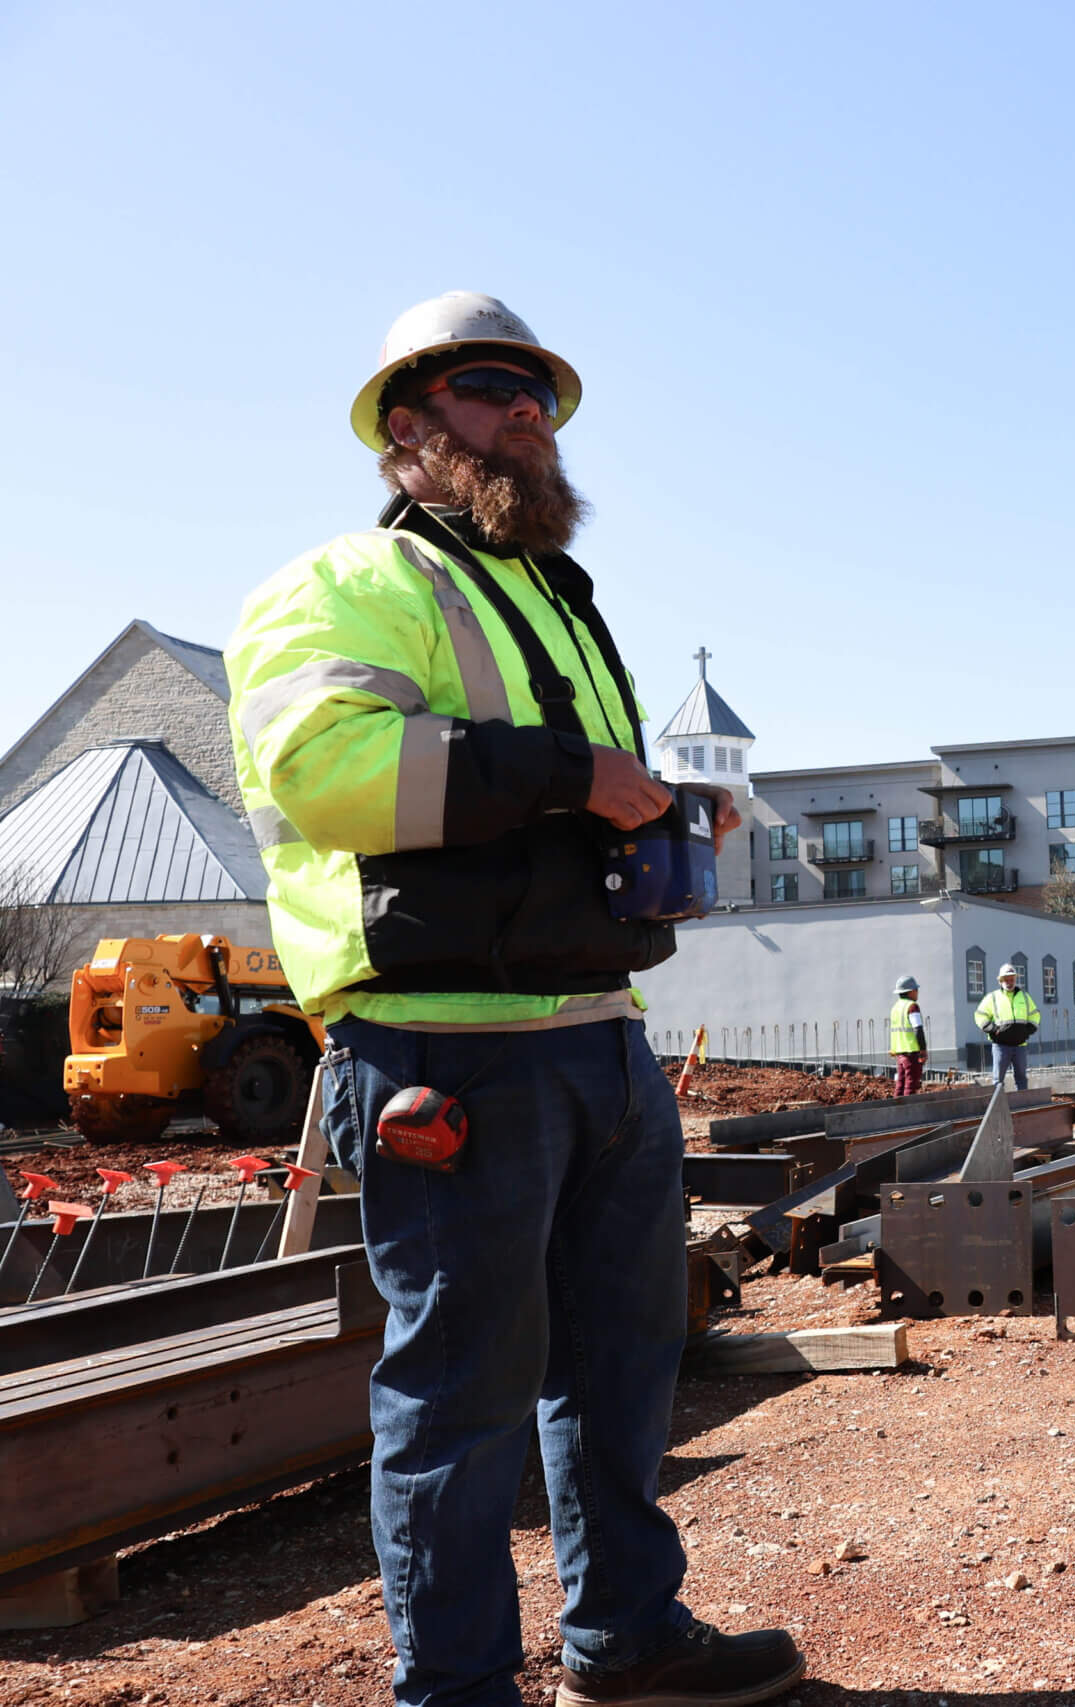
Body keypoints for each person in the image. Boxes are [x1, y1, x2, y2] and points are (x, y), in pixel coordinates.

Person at [227, 293, 799, 1707]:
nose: (528, 412)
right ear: (407, 427)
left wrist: (661, 813)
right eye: (491, 385)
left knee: (621, 1362)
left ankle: (626, 1635)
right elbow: (328, 770)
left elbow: (562, 802)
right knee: (462, 1390)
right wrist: (571, 774)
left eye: (538, 391)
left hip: (598, 1033)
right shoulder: (347, 581)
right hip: (443, 1045)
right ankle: (458, 1686)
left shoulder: (556, 599)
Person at [975, 962, 1040, 1090]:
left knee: (1021, 1079)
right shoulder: (992, 997)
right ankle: (999, 1102)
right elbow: (980, 1015)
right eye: (1006, 979)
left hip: (1020, 1045)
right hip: (1001, 1046)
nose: (1009, 982)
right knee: (998, 1080)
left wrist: (1027, 1031)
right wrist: (993, 1029)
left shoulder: (1024, 997)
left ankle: (1022, 1102)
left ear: (1015, 979)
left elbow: (1035, 1015)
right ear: (1000, 981)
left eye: (1012, 979)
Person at [888, 975, 927, 1097]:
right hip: (912, 1053)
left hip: (900, 1053)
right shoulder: (912, 1007)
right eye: (916, 990)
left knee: (900, 1084)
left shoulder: (895, 1008)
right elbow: (918, 1029)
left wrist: (894, 1049)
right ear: (911, 991)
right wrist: (923, 1050)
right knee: (910, 1086)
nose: (917, 992)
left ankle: (896, 1107)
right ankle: (908, 1108)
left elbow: (895, 1031)